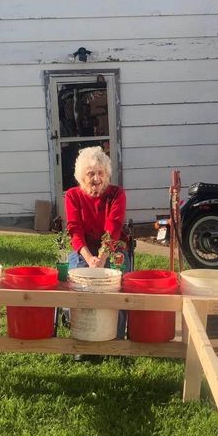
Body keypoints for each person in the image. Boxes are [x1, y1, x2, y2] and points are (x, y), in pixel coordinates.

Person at [64, 146, 131, 344]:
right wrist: (89, 258)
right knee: (79, 281)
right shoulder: (72, 195)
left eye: (101, 173)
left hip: (111, 247)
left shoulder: (117, 194)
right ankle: (83, 335)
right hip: (84, 249)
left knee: (115, 283)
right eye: (91, 173)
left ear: (107, 175)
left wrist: (101, 258)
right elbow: (74, 230)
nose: (96, 179)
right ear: (80, 177)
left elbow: (113, 227)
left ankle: (115, 338)